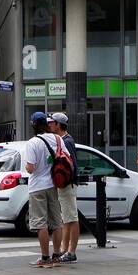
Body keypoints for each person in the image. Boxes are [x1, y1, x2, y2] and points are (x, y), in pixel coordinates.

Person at [23, 111, 64, 267]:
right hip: (54, 184)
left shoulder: (32, 142)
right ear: (47, 124)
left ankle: (45, 258)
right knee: (56, 222)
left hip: (37, 187)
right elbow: (64, 158)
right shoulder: (58, 139)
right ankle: (57, 255)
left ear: (33, 125)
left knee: (41, 223)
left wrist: (29, 165)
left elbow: (30, 168)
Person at [47, 112, 80, 263]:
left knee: (71, 218)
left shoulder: (66, 141)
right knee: (66, 219)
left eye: (52, 122)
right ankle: (64, 250)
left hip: (67, 184)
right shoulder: (63, 139)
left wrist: (65, 180)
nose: (50, 125)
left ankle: (71, 252)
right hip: (65, 184)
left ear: (58, 125)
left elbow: (70, 164)